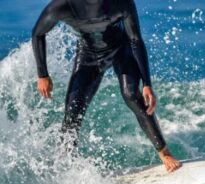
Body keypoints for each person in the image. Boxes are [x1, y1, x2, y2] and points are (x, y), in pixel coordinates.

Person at [32, 0, 181, 172]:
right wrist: (42, 74)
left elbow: (135, 39)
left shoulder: (120, 3)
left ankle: (164, 152)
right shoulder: (63, 5)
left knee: (132, 95)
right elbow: (37, 33)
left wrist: (147, 83)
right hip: (88, 57)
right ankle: (67, 166)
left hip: (120, 50)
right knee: (73, 111)